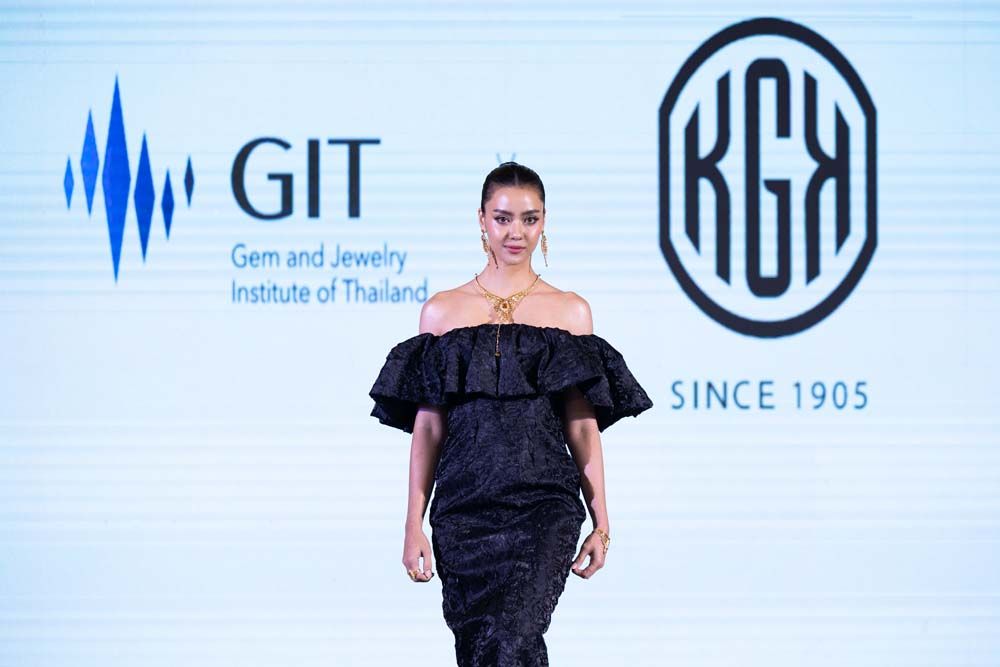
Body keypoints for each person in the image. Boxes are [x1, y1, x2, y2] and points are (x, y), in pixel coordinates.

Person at [368, 161, 654, 666]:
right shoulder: (442, 312)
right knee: (481, 647)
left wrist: (602, 521)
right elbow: (428, 429)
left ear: (544, 222)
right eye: (502, 218)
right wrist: (413, 523)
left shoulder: (570, 312)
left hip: (543, 505)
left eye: (529, 218)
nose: (515, 232)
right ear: (481, 219)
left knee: (514, 636)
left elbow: (582, 426)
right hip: (463, 510)